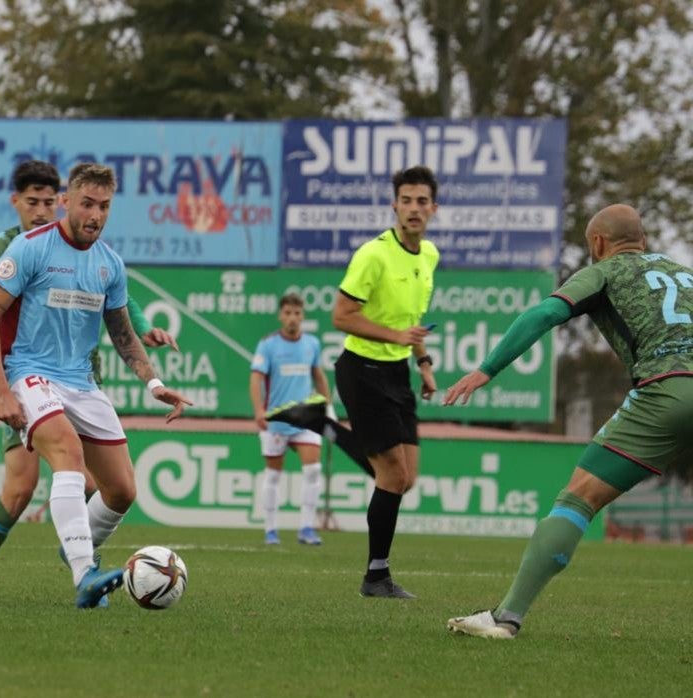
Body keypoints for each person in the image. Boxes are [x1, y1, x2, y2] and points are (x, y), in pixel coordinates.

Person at [445, 204, 692, 639]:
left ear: (598, 243)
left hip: (667, 389)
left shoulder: (606, 270)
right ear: (645, 239)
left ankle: (506, 618)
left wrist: (487, 369)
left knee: (578, 499)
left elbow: (543, 315)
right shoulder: (683, 272)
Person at [0, 161, 175, 603]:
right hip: (29, 374)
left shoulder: (110, 263)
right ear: (68, 202)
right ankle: (82, 574)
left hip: (82, 383)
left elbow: (122, 328)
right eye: (86, 203)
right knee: (42, 473)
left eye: (104, 206)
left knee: (122, 489)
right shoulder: (24, 248)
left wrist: (154, 384)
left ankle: (77, 550)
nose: (95, 214)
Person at [331, 165, 439, 600]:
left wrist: (424, 364)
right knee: (393, 476)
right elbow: (341, 315)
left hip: (398, 373)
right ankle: (376, 576)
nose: (414, 209)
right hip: (362, 371)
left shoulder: (428, 255)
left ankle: (328, 431)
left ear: (434, 208)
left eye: (422, 201)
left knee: (404, 477)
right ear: (394, 205)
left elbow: (411, 322)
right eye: (406, 200)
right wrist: (397, 337)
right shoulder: (373, 255)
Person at [249, 293, 329, 546]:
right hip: (277, 420)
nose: (292, 318)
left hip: (306, 419)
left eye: (297, 313)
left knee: (313, 469)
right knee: (273, 475)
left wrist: (326, 404)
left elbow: (318, 374)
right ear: (280, 315)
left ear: (302, 315)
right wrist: (258, 411)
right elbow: (256, 378)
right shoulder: (268, 345)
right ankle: (270, 530)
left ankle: (306, 528)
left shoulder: (312, 344)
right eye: (288, 313)